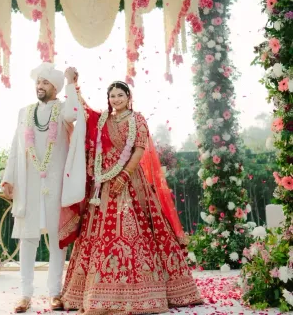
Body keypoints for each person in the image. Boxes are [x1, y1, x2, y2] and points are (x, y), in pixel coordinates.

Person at [61, 80, 202, 314]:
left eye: (120, 95)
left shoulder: (137, 120)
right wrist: (75, 87)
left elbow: (138, 149)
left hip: (131, 184)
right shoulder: (104, 120)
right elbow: (86, 112)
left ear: (128, 97)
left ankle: (145, 290)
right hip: (104, 185)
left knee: (137, 232)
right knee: (99, 235)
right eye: (112, 96)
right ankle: (96, 293)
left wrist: (124, 175)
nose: (116, 99)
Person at [1, 62, 86, 313]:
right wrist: (9, 178)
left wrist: (72, 83)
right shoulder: (24, 112)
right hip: (29, 183)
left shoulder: (62, 110)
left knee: (57, 240)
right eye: (38, 81)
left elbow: (76, 113)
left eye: (45, 82)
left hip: (55, 182)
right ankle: (25, 295)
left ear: (56, 88)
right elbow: (16, 147)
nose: (40, 86)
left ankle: (54, 293)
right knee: (27, 239)